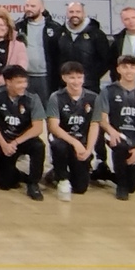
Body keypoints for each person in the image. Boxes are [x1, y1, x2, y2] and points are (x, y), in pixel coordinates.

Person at [96, 55, 135, 200]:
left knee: (132, 186)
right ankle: (120, 186)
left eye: (132, 67)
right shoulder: (108, 90)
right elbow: (102, 118)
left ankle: (108, 174)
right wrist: (111, 131)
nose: (129, 70)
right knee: (120, 146)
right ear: (118, 69)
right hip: (116, 134)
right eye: (125, 67)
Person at [0, 65, 46, 200]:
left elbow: (38, 128)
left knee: (39, 146)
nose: (23, 86)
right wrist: (3, 143)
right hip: (3, 139)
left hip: (22, 139)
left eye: (25, 82)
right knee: (5, 183)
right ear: (8, 82)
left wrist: (16, 142)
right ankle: (19, 175)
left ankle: (33, 184)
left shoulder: (32, 98)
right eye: (19, 82)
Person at [45, 61, 98, 201]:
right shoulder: (56, 97)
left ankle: (57, 173)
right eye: (72, 77)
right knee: (58, 145)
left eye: (79, 77)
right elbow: (54, 127)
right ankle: (61, 177)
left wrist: (88, 150)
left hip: (82, 142)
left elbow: (94, 125)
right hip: (63, 140)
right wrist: (75, 142)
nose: (76, 81)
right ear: (64, 78)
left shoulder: (93, 98)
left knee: (80, 188)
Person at [14, 0, 64, 105]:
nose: (29, 8)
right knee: (24, 107)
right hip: (24, 76)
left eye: (33, 6)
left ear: (41, 8)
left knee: (46, 108)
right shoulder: (18, 27)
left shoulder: (55, 28)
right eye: (27, 6)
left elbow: (60, 53)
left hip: (46, 77)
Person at [59, 1, 113, 92]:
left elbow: (106, 60)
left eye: (78, 12)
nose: (74, 15)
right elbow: (54, 58)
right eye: (71, 12)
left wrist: (92, 76)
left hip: (90, 86)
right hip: (65, 86)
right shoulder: (60, 33)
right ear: (67, 14)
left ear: (84, 14)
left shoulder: (97, 34)